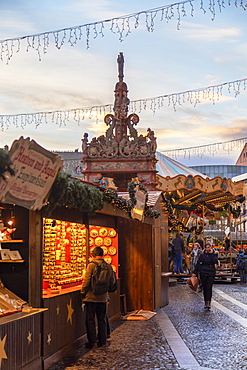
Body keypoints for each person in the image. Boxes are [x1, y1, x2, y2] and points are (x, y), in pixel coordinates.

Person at [81, 246, 116, 348]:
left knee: (90, 319)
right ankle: (103, 340)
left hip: (91, 297)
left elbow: (87, 281)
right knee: (102, 319)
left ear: (93, 254)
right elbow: (112, 282)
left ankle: (92, 341)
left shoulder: (91, 266)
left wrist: (83, 292)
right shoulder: (108, 266)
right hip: (103, 297)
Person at [192, 242, 218, 310]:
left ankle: (208, 302)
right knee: (204, 287)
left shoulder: (214, 254)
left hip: (211, 272)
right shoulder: (202, 255)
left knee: (209, 288)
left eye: (209, 247)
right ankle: (206, 301)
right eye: (206, 247)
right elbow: (198, 263)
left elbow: (215, 261)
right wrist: (195, 272)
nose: (207, 249)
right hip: (203, 272)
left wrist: (212, 253)